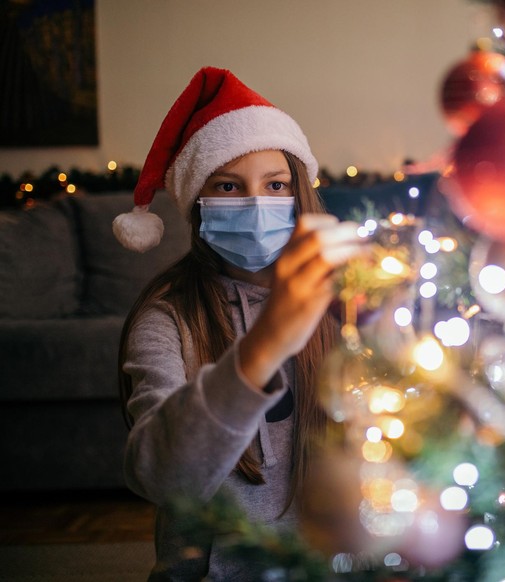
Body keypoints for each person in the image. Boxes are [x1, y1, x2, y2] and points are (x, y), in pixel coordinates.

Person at [114, 66, 363, 581]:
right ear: (197, 205)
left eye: (275, 185)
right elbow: (159, 473)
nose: (255, 204)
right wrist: (265, 345)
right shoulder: (167, 317)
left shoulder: (346, 304)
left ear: (299, 194)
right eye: (228, 186)